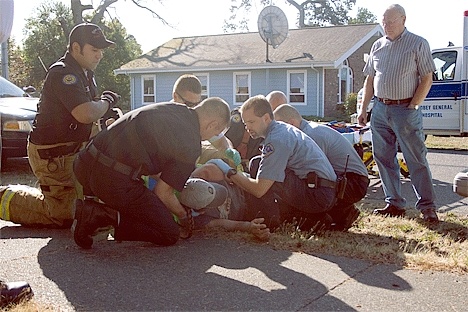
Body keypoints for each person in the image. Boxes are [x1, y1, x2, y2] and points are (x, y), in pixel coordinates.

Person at [0, 23, 118, 228]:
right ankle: (4, 197)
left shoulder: (86, 74)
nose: (99, 55)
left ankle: (59, 191)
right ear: (75, 48)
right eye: (94, 50)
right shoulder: (63, 73)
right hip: (53, 155)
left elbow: (92, 112)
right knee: (66, 214)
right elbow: (85, 113)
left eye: (101, 51)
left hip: (75, 151)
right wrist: (107, 102)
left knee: (94, 204)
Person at [72, 97, 231, 249]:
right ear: (212, 125)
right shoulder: (191, 143)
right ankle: (100, 215)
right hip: (111, 181)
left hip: (83, 163)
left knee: (142, 199)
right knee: (168, 233)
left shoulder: (170, 108)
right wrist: (184, 217)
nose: (211, 138)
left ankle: (91, 207)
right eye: (216, 133)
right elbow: (163, 193)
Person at [358, 4, 438, 223]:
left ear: (403, 19)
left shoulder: (418, 43)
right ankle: (394, 203)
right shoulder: (377, 45)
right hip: (380, 109)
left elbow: (426, 78)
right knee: (383, 157)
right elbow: (370, 79)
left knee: (416, 159)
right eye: (384, 22)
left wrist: (413, 106)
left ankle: (427, 207)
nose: (387, 26)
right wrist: (364, 109)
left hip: (405, 110)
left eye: (391, 21)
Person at [208, 95, 337, 231]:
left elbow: (259, 190)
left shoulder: (276, 139)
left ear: (266, 118)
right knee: (258, 163)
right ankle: (312, 218)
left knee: (258, 167)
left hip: (318, 194)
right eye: (246, 124)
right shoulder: (281, 129)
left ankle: (266, 221)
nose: (247, 128)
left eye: (251, 122)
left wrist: (227, 169)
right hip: (321, 190)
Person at [273, 104, 370, 230]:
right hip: (351, 180)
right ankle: (342, 213)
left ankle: (320, 217)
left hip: (352, 183)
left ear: (291, 123)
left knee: (297, 181)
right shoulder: (310, 129)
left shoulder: (311, 135)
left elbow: (315, 173)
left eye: (281, 127)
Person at [146, 164, 270, 240]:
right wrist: (249, 227)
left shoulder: (207, 173)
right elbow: (222, 224)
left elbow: (215, 167)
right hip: (249, 215)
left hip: (248, 191)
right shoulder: (194, 220)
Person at [225, 90, 287, 170]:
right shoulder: (239, 116)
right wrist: (232, 154)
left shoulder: (274, 131)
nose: (271, 117)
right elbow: (222, 138)